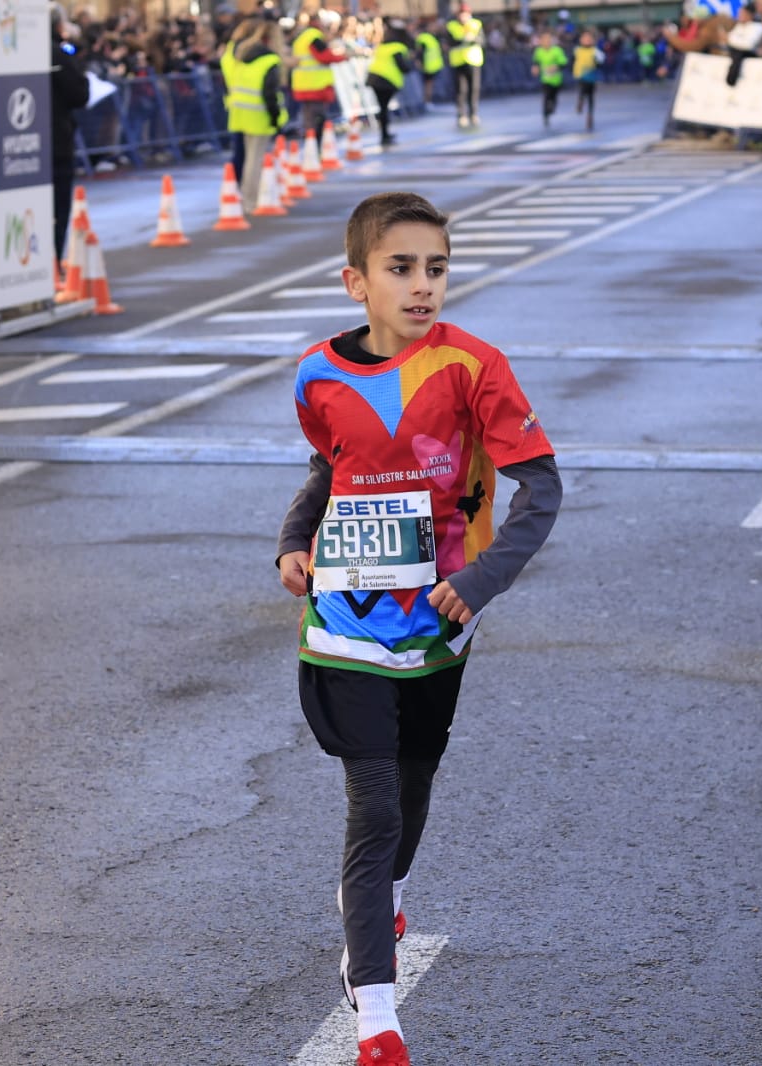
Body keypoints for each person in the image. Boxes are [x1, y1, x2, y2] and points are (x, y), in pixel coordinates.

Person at [276, 191, 561, 1066]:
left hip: (438, 623)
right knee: (372, 804)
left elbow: (542, 488)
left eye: (436, 268)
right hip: (344, 619)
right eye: (400, 268)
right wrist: (293, 541)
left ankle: (388, 891)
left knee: (413, 782)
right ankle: (376, 1014)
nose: (423, 285)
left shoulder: (475, 367)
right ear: (356, 282)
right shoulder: (316, 375)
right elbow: (330, 469)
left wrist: (478, 581)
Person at [228, 19, 286, 213]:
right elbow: (269, 93)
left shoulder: (243, 53)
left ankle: (247, 197)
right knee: (255, 160)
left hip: (240, 112)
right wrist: (275, 118)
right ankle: (250, 200)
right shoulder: (270, 60)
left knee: (249, 158)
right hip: (259, 114)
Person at [50, 4, 90, 269]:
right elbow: (79, 94)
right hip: (57, 141)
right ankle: (53, 261)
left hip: (29, 143)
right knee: (58, 207)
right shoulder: (59, 54)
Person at [290, 9, 347, 147]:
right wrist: (343, 56)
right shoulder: (314, 37)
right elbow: (324, 57)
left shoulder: (304, 36)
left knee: (309, 118)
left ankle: (311, 145)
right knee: (316, 118)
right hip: (315, 85)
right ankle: (315, 146)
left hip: (305, 84)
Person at [219, 17, 264, 184]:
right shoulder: (249, 52)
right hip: (252, 105)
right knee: (249, 154)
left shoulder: (230, 49)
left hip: (235, 103)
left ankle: (234, 184)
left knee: (240, 150)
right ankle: (241, 186)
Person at [365, 21, 414, 146]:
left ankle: (384, 134)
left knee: (382, 108)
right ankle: (385, 135)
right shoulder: (398, 47)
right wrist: (412, 64)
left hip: (374, 78)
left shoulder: (382, 47)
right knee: (384, 109)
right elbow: (403, 67)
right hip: (386, 81)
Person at [446, 2, 484, 127]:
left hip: (473, 61)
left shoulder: (476, 24)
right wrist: (463, 40)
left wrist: (472, 39)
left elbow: (482, 40)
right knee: (460, 90)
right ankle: (461, 114)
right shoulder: (451, 26)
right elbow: (449, 42)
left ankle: (473, 113)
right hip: (458, 62)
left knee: (474, 88)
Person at [530, 29, 568, 127]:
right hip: (545, 79)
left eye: (548, 39)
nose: (546, 41)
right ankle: (545, 115)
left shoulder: (557, 50)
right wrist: (535, 68)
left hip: (556, 79)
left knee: (553, 96)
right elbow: (536, 62)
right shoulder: (539, 51)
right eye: (544, 39)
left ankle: (552, 108)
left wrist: (556, 67)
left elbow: (563, 63)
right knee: (546, 96)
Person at [414, 20, 444, 105]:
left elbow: (420, 52)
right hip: (430, 66)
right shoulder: (428, 38)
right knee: (428, 84)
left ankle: (427, 101)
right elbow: (421, 52)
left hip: (430, 66)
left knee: (428, 84)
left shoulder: (426, 38)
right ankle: (427, 101)